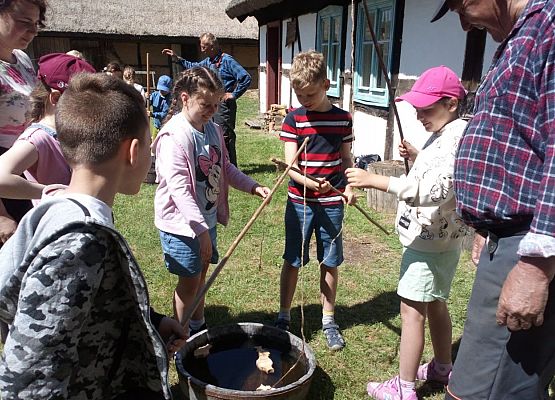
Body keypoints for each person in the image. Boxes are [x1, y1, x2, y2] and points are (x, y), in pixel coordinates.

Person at [0, 72, 187, 399]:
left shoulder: (66, 211)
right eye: (149, 144)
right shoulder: (79, 242)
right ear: (132, 152)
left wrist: (150, 322)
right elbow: (29, 382)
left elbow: (82, 305)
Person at [428, 1, 555, 399]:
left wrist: (537, 261)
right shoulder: (523, 34)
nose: (465, 25)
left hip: (530, 246)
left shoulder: (550, 25)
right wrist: (488, 226)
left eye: (461, 6)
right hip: (511, 238)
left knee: (482, 392)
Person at [345, 66, 468, 400]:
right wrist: (418, 154)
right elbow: (442, 172)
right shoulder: (451, 132)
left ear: (452, 103)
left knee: (411, 313)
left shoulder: (452, 138)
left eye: (426, 108)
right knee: (436, 303)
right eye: (416, 108)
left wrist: (377, 180)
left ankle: (404, 388)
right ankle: (443, 367)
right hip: (444, 242)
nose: (419, 114)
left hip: (426, 244)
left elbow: (434, 191)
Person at [152, 66, 270, 337]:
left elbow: (225, 168)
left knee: (201, 278)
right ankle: (179, 337)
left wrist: (253, 187)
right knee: (189, 283)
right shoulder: (174, 137)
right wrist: (201, 231)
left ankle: (197, 326)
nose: (211, 111)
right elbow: (180, 190)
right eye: (205, 104)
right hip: (182, 226)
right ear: (185, 98)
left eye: (215, 105)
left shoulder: (213, 130)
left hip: (206, 219)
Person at [274, 50, 355, 351]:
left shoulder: (342, 119)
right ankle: (283, 316)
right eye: (298, 94)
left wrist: (349, 185)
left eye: (309, 93)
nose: (303, 100)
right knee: (293, 257)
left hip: (331, 200)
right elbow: (290, 167)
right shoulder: (293, 119)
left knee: (330, 260)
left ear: (326, 84)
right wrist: (311, 184)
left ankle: (329, 319)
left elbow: (346, 159)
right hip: (300, 200)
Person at [0, 53, 95, 205]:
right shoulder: (39, 138)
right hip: (56, 224)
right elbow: (1, 177)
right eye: (85, 103)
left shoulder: (71, 134)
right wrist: (55, 193)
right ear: (56, 98)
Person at [162, 32, 252, 166]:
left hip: (223, 106)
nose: (202, 50)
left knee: (225, 136)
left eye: (204, 47)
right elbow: (193, 66)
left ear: (213, 46)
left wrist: (233, 94)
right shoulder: (208, 62)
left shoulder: (227, 61)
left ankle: (231, 167)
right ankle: (217, 165)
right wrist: (177, 58)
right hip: (211, 103)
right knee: (213, 134)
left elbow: (245, 78)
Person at [0, 0, 47, 246]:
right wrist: (0, 216)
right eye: (24, 23)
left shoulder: (23, 60)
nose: (33, 31)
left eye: (37, 24)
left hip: (24, 171)